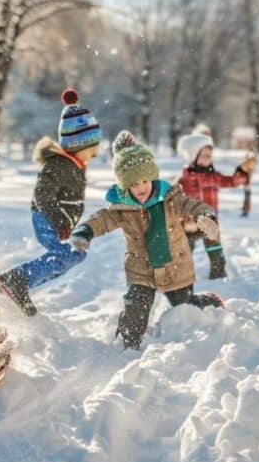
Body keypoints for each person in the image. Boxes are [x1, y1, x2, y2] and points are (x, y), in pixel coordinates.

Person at [69, 131, 223, 350]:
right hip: (142, 271)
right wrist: (85, 231)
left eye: (145, 181)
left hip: (176, 268)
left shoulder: (171, 197)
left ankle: (209, 301)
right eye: (133, 184)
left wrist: (204, 216)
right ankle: (125, 346)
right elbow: (101, 219)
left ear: (153, 178)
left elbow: (192, 205)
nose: (140, 188)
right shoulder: (122, 207)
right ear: (124, 187)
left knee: (185, 306)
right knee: (135, 310)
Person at [0, 88, 101, 315]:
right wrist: (59, 220)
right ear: (78, 145)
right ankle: (16, 280)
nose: (96, 153)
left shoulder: (74, 165)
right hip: (45, 216)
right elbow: (42, 196)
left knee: (74, 256)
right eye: (92, 148)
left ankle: (18, 287)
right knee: (64, 255)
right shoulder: (59, 165)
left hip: (56, 219)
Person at [175, 131, 253, 279]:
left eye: (209, 156)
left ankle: (218, 272)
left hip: (209, 219)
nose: (208, 158)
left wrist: (242, 174)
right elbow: (177, 200)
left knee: (214, 246)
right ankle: (182, 273)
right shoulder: (183, 179)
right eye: (203, 155)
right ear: (193, 157)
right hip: (190, 220)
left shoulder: (213, 176)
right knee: (186, 247)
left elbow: (230, 181)